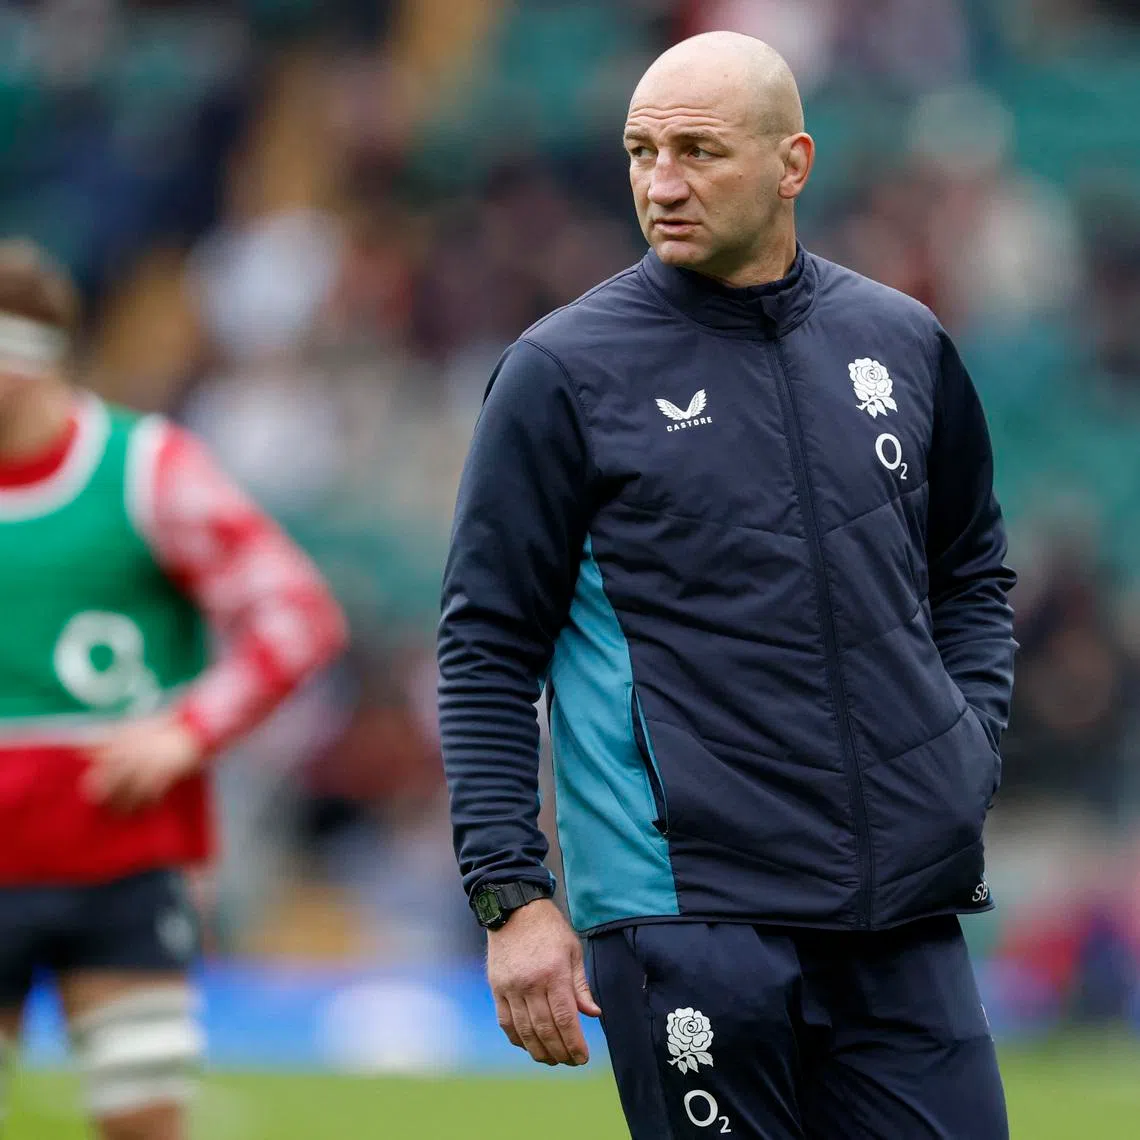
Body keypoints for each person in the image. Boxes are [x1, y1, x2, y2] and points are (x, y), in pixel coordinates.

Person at [438, 31, 1017, 1140]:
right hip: (687, 913)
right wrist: (512, 896)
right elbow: (487, 645)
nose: (662, 183)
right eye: (641, 151)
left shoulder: (901, 343)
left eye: (698, 151)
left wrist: (962, 751)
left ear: (792, 163)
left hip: (901, 910)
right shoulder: (562, 373)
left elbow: (972, 573)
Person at [0, 240, 347, 1140]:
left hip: (116, 859)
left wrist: (187, 730)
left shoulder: (144, 468)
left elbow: (295, 616)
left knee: (142, 1121)